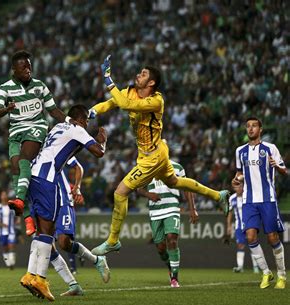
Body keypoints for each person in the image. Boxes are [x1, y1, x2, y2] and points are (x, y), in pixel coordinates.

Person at [89, 56, 230, 256]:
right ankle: (218, 195)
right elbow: (112, 103)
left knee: (120, 193)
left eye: (144, 74)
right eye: (139, 72)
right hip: (154, 152)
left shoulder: (156, 101)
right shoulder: (129, 92)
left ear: (152, 82)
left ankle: (113, 240)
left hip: (153, 157)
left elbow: (127, 106)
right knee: (174, 182)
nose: (138, 75)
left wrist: (108, 79)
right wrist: (92, 110)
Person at [19, 104, 107, 302]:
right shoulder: (77, 130)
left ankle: (30, 275)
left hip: (33, 175)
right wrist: (103, 141)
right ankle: (40, 279)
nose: (87, 124)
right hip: (47, 179)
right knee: (48, 232)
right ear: (82, 120)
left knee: (42, 231)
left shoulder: (59, 127)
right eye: (86, 121)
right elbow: (98, 152)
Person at [0, 50, 72, 236]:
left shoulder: (40, 86)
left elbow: (54, 112)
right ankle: (28, 218)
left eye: (29, 66)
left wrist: (71, 122)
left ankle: (19, 200)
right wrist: (7, 109)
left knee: (24, 159)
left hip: (37, 127)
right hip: (16, 131)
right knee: (15, 169)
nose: (28, 70)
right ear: (14, 70)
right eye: (23, 67)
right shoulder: (4, 88)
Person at [232, 117, 287, 289]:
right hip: (249, 200)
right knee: (250, 236)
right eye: (248, 126)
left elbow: (284, 170)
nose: (250, 129)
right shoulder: (240, 151)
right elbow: (240, 172)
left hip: (267, 199)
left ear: (260, 129)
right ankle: (265, 272)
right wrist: (237, 179)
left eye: (254, 126)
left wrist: (276, 166)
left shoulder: (270, 148)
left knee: (272, 238)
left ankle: (282, 275)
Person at [51, 156, 110, 297]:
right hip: (44, 205)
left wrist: (76, 188)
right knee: (48, 248)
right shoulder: (29, 159)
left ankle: (97, 260)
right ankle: (73, 285)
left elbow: (78, 166)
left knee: (64, 242)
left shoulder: (56, 147)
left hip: (62, 202)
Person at [136, 159, 198, 288]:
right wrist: (148, 194)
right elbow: (138, 189)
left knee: (172, 239)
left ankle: (174, 278)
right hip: (155, 211)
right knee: (160, 247)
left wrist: (192, 209)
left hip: (172, 208)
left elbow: (187, 187)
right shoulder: (147, 167)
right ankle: (170, 265)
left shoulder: (177, 167)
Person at [226, 183, 260, 274]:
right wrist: (229, 226)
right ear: (234, 188)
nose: (239, 188)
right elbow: (230, 213)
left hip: (249, 224)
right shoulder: (232, 198)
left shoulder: (248, 196)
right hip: (238, 226)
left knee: (253, 244)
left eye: (241, 186)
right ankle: (240, 267)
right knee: (240, 245)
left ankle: (256, 267)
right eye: (237, 186)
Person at [0, 190, 19, 270]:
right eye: (2, 195)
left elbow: (17, 214)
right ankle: (8, 263)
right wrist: (2, 224)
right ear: (0, 197)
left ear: (7, 196)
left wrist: (18, 220)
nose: (4, 196)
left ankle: (12, 263)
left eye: (5, 195)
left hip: (11, 230)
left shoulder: (11, 205)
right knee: (5, 248)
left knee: (11, 246)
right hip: (2, 231)